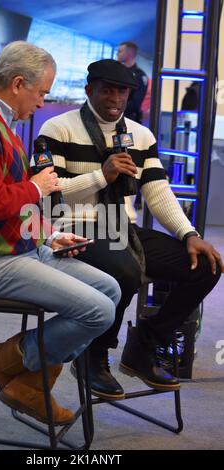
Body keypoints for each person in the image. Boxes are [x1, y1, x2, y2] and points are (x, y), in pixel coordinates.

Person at [0, 43, 121, 425]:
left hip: (14, 251)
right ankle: (10, 365)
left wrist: (48, 236)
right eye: (42, 93)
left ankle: (24, 380)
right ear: (18, 84)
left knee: (110, 290)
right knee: (97, 311)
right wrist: (37, 188)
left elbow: (11, 205)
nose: (42, 102)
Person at [39, 58, 223, 400]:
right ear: (89, 90)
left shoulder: (140, 136)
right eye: (107, 90)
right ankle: (94, 355)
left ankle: (145, 345)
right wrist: (102, 176)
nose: (115, 99)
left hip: (124, 229)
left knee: (206, 266)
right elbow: (50, 196)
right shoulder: (57, 129)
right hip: (75, 228)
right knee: (124, 269)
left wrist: (189, 235)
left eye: (121, 92)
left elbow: (157, 192)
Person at [117, 41, 148, 124]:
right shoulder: (116, 72)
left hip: (129, 121)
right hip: (113, 118)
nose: (117, 54)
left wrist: (116, 106)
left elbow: (135, 104)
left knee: (124, 138)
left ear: (129, 54)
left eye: (120, 51)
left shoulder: (140, 76)